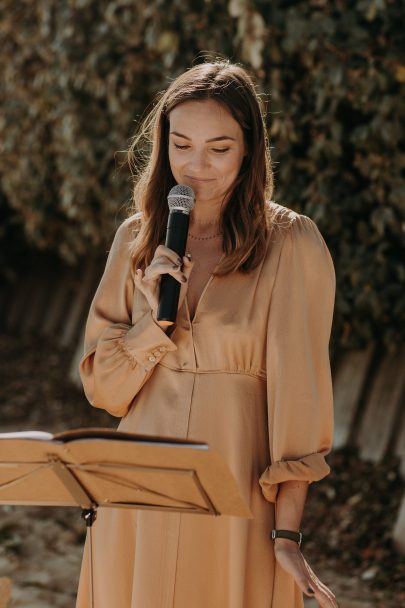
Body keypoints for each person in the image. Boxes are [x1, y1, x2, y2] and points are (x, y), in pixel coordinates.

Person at [75, 59, 338, 608]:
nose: (196, 167)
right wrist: (154, 325)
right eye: (181, 145)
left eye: (219, 148)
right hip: (136, 494)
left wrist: (287, 534)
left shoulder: (292, 245)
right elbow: (105, 391)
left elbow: (300, 403)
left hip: (234, 496)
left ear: (249, 151)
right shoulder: (135, 241)